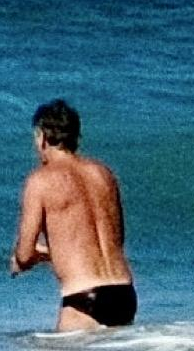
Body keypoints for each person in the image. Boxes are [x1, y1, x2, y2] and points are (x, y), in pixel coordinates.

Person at [9, 98, 135, 332]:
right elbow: (115, 240)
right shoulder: (104, 174)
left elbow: (24, 255)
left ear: (42, 137)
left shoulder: (40, 181)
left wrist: (31, 258)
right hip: (124, 293)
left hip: (82, 297)